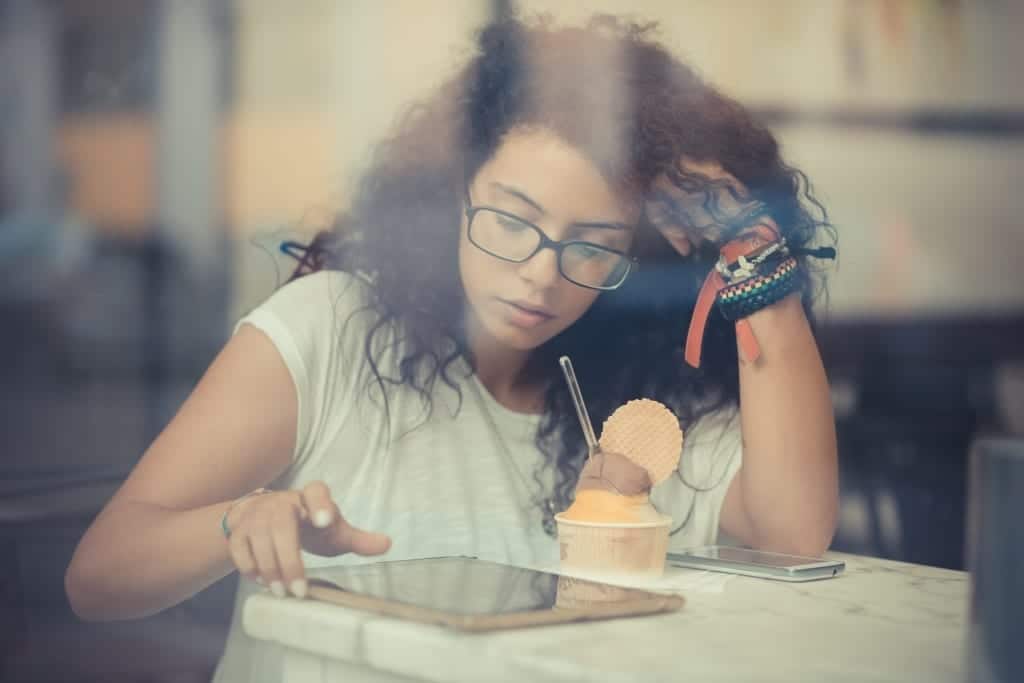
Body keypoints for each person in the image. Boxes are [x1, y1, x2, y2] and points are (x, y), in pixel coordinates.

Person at [65, 13, 839, 681]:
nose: (540, 276)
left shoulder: (637, 403)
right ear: (456, 191)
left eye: (592, 246)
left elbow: (793, 533)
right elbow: (98, 576)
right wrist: (242, 522)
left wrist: (753, 256)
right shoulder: (332, 329)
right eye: (511, 220)